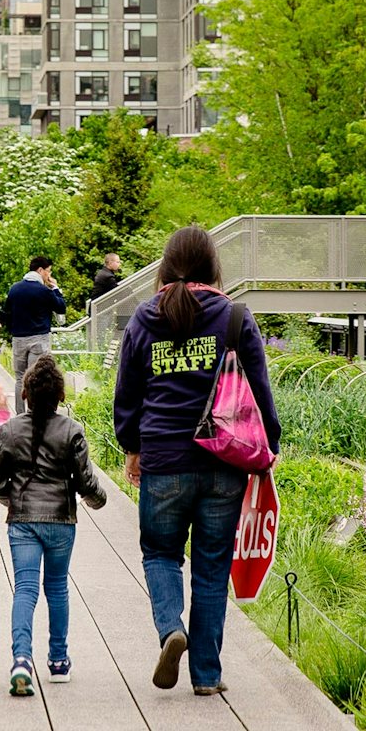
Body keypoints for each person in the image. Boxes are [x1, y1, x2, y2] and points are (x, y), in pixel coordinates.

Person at [113, 225, 280, 697]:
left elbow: (128, 393)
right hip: (224, 462)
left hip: (163, 460)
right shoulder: (234, 318)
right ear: (212, 265)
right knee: (211, 567)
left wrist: (132, 446)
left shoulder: (145, 319)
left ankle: (171, 631)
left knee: (161, 554)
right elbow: (260, 391)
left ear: (165, 265)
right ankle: (206, 675)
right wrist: (270, 447)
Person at [0, 356, 107, 696]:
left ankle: (22, 659)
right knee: (57, 589)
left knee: (25, 588)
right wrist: (99, 500)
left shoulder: (10, 430)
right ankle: (58, 661)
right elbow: (86, 483)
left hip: (23, 522)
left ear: (26, 393)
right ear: (60, 396)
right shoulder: (71, 430)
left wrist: (16, 501)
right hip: (61, 522)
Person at [5, 255, 66, 416]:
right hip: (39, 338)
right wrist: (56, 289)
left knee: (19, 378)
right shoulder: (44, 291)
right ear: (40, 270)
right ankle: (35, 411)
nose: (49, 275)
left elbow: (7, 312)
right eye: (48, 271)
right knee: (37, 376)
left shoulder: (15, 289)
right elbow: (61, 307)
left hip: (18, 338)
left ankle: (19, 413)